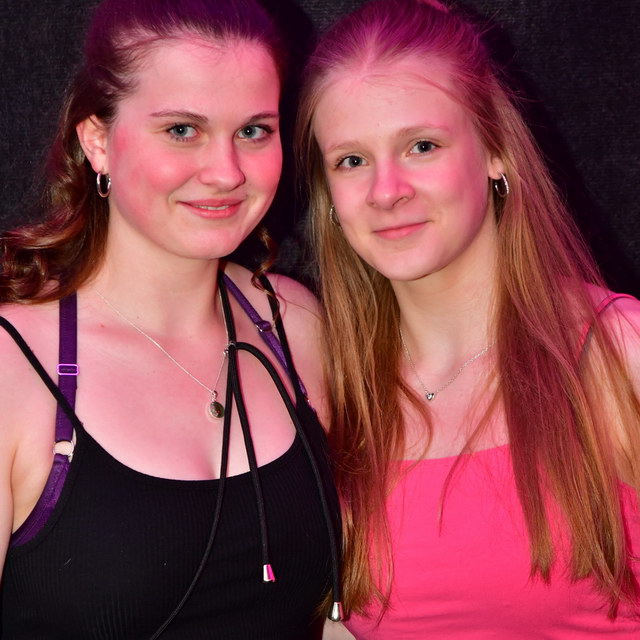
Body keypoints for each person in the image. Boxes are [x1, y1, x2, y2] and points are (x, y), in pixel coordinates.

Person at [297, 0, 640, 637]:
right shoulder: (334, 386)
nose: (386, 190)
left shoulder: (617, 352)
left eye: (422, 146)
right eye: (351, 160)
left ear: (495, 152)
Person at [0, 0, 341, 637]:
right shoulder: (11, 367)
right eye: (183, 130)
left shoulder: (293, 322)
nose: (226, 173)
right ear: (98, 142)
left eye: (253, 131)